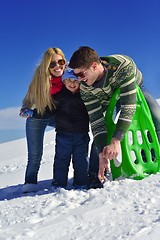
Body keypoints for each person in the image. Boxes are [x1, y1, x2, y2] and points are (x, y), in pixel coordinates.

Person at [69, 46, 160, 187]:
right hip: (106, 98)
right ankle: (96, 176)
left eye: (80, 74)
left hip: (133, 88)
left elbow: (128, 106)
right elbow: (97, 121)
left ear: (94, 66)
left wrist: (116, 140)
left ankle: (156, 156)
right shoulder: (86, 88)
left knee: (156, 116)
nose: (79, 80)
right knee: (102, 134)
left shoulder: (122, 65)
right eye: (76, 76)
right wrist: (102, 154)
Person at [19, 47, 66, 193]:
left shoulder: (70, 76)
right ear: (47, 66)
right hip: (37, 116)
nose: (57, 66)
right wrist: (25, 108)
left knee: (75, 137)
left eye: (61, 62)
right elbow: (28, 99)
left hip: (56, 116)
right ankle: (30, 184)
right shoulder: (40, 80)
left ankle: (85, 172)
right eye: (52, 64)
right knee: (34, 155)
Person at [51, 68, 90, 190]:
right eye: (69, 81)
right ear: (64, 82)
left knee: (81, 160)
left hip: (81, 134)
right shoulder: (58, 96)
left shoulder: (84, 95)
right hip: (63, 134)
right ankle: (59, 183)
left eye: (75, 81)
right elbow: (47, 110)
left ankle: (81, 182)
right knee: (61, 159)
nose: (72, 84)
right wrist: (34, 113)